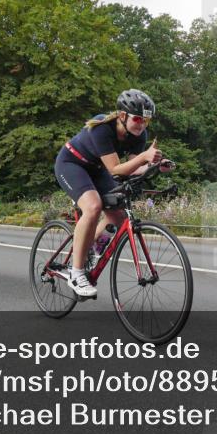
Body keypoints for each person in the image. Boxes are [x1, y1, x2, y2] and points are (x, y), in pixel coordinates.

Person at [54, 89, 171, 297]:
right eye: (138, 119)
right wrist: (144, 157)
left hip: (97, 169)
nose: (142, 125)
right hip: (71, 164)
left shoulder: (139, 135)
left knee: (119, 215)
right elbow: (116, 169)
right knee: (93, 207)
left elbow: (134, 168)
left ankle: (91, 249)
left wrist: (155, 165)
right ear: (123, 115)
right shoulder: (102, 128)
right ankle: (76, 273)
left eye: (146, 121)